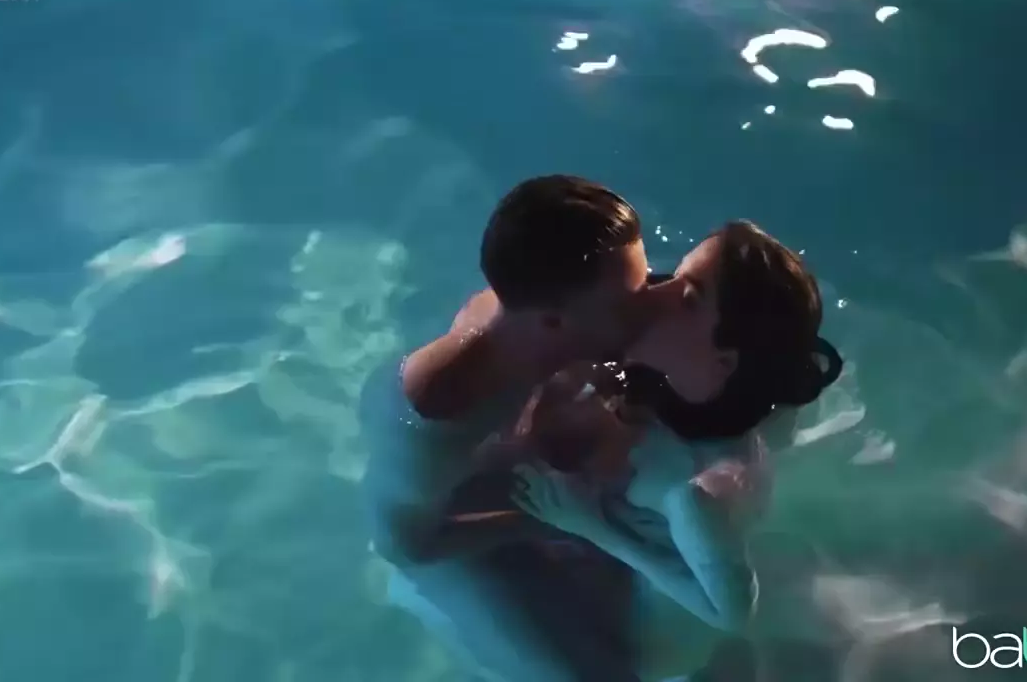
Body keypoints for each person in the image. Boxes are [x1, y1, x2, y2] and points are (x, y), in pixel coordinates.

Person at [360, 174, 682, 681]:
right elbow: (404, 545)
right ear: (554, 321)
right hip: (450, 536)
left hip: (510, 465)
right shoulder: (431, 425)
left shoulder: (527, 311)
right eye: (628, 302)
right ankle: (433, 608)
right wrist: (550, 520)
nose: (647, 307)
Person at [511, 221, 843, 680]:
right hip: (630, 567)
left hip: (651, 637)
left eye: (687, 297)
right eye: (675, 275)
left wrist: (591, 526)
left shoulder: (697, 493)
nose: (653, 288)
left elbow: (731, 614)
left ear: (722, 361)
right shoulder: (684, 385)